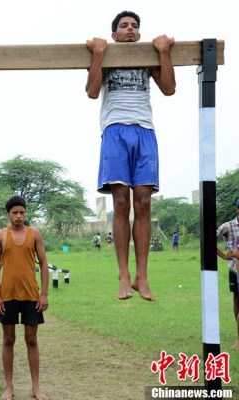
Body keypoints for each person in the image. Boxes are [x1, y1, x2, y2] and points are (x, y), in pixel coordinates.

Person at [86, 10, 176, 301]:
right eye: (124, 26)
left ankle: (142, 275)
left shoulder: (147, 57)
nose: (130, 29)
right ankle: (123, 274)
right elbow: (91, 91)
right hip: (115, 131)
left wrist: (162, 51)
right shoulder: (106, 54)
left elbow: (170, 89)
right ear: (114, 34)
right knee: (121, 200)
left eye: (135, 26)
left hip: (144, 130)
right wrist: (99, 54)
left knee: (144, 201)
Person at [0, 196, 49, 400]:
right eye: (14, 212)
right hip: (7, 295)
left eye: (21, 212)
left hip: (31, 295)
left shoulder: (35, 235)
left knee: (31, 339)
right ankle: (9, 386)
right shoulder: (0, 235)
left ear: (25, 213)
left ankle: (36, 387)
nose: (18, 216)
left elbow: (43, 264)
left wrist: (44, 294)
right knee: (8, 339)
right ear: (8, 214)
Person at [216, 199, 239, 350]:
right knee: (238, 299)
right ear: (237, 209)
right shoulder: (228, 226)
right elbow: (209, 238)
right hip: (235, 269)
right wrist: (223, 255)